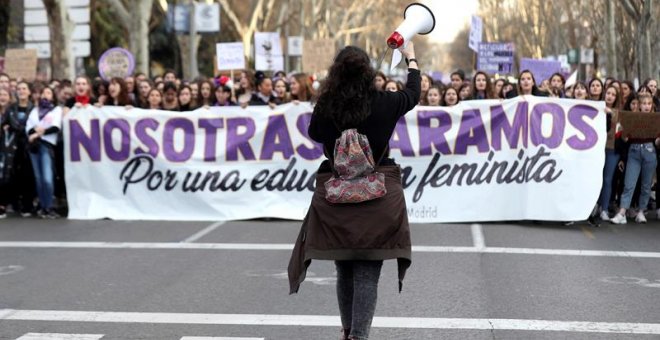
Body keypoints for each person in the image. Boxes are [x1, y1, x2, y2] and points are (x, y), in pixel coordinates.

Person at [288, 43, 418, 340]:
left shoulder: (326, 106)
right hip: (378, 199)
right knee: (367, 272)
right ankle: (359, 335)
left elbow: (314, 133)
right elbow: (413, 94)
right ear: (369, 73)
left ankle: (348, 331)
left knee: (344, 268)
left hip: (337, 200)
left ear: (335, 73)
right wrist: (411, 57)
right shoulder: (385, 102)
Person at [610, 93, 659, 224]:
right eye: (644, 104)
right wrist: (625, 136)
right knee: (629, 183)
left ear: (652, 105)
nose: (647, 106)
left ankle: (641, 211)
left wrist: (658, 140)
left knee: (646, 184)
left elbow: (657, 141)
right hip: (634, 151)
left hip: (650, 151)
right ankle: (622, 212)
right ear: (639, 106)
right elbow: (622, 137)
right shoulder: (632, 118)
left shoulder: (656, 119)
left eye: (649, 104)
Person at [26, 86, 62, 218]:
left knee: (47, 178)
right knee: (38, 178)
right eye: (43, 92)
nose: (45, 95)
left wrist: (37, 134)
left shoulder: (56, 110)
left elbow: (55, 127)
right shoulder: (35, 111)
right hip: (34, 147)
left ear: (53, 96)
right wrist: (36, 133)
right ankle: (43, 206)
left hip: (46, 146)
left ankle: (50, 205)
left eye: (48, 92)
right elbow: (29, 128)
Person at [1, 81, 36, 217]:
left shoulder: (34, 109)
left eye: (24, 88)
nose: (21, 91)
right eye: (19, 89)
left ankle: (27, 205)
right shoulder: (11, 108)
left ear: (29, 92)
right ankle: (12, 203)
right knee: (11, 175)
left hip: (29, 146)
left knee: (28, 175)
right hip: (13, 146)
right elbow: (4, 122)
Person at [598, 85, 624, 221]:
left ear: (616, 98)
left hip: (612, 150)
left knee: (607, 180)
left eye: (613, 95)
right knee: (595, 178)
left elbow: (622, 135)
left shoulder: (619, 113)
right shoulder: (596, 108)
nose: (610, 96)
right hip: (596, 149)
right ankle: (594, 206)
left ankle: (604, 209)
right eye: (608, 93)